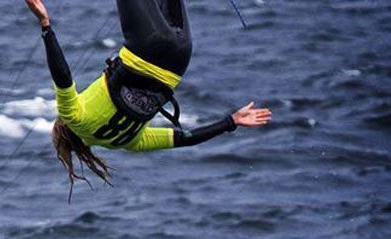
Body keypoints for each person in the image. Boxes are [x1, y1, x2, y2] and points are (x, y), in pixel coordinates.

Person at [24, 0, 272, 200]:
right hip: (146, 48)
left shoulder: (128, 142)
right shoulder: (73, 117)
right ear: (64, 127)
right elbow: (63, 76)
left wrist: (231, 121)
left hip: (179, 59)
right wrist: (45, 25)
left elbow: (185, 139)